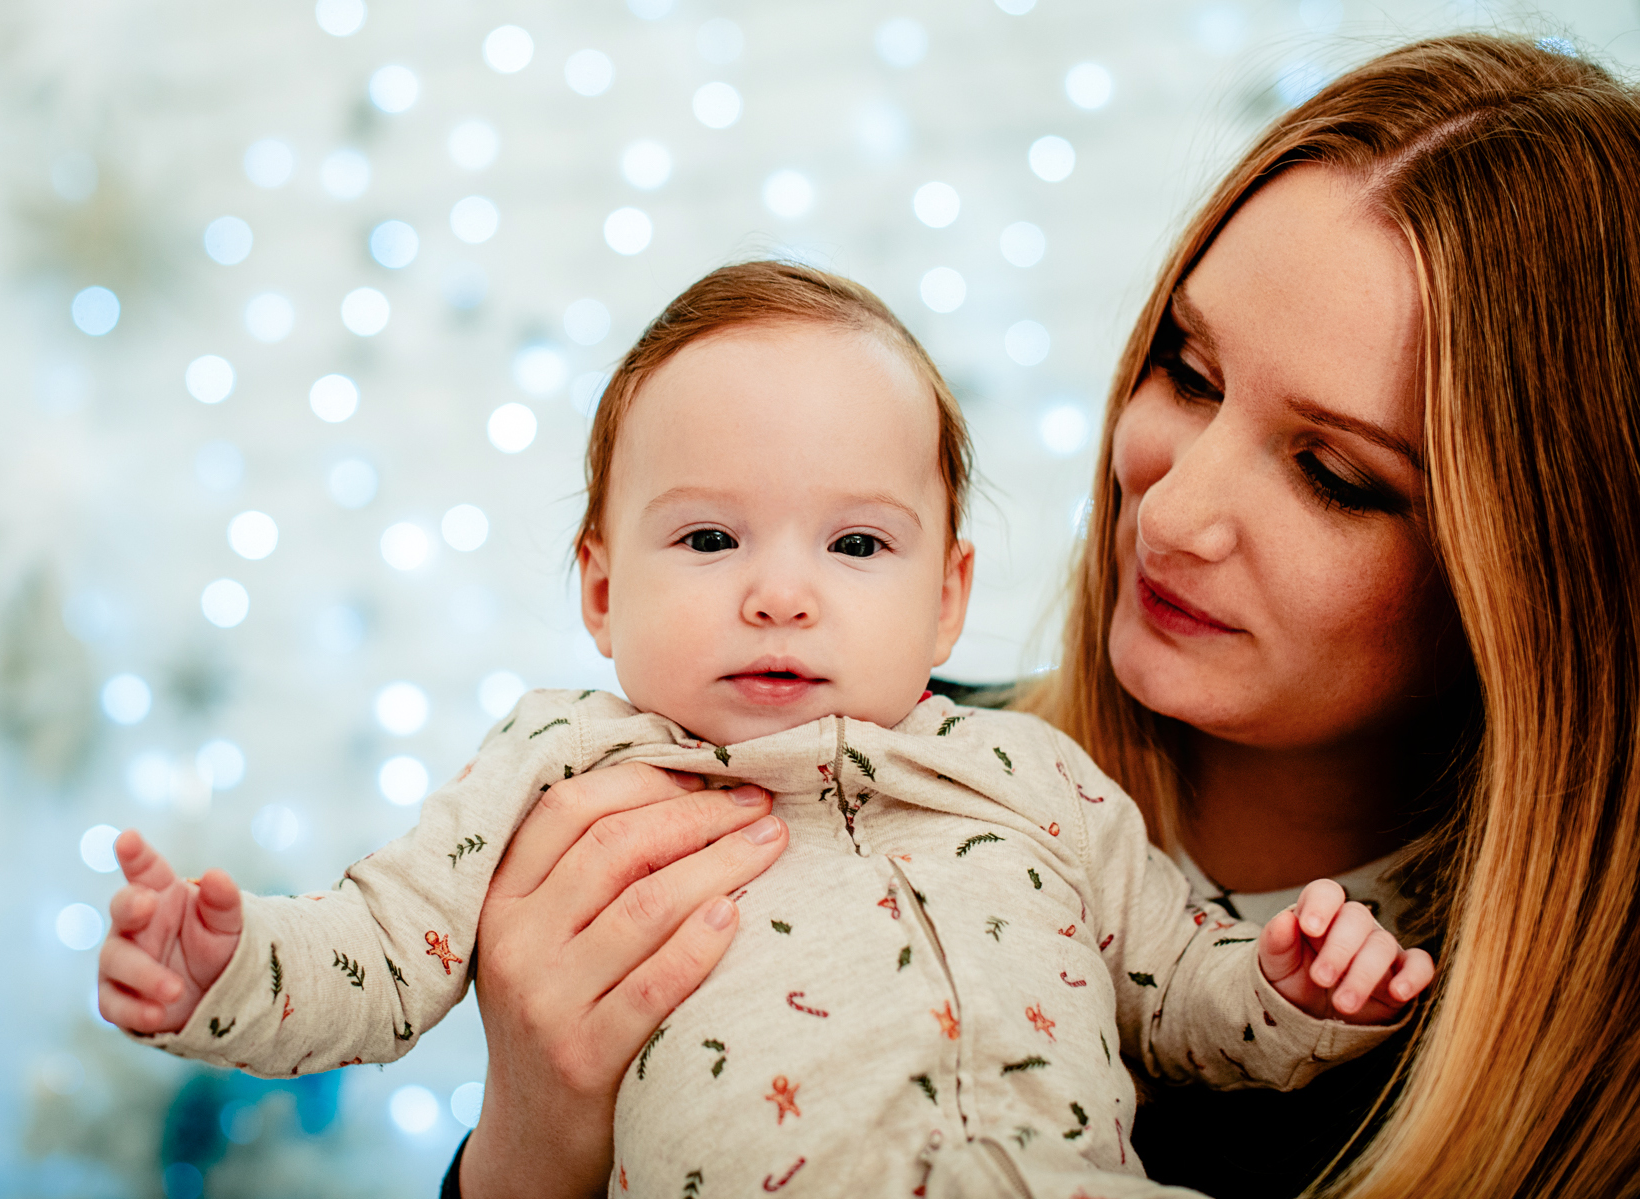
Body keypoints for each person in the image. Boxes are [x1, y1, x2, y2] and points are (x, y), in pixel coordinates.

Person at [444, 34, 1640, 1199]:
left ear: (1541, 581)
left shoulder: (1566, 1088)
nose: (1174, 514)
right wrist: (532, 1141)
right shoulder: (833, 756)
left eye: (1334, 473)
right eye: (1189, 371)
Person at [96, 263, 1429, 1197]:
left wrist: (1288, 987)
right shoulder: (560, 766)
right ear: (601, 585)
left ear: (948, 594)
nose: (778, 590)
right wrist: (224, 966)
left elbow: (1176, 985)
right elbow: (381, 946)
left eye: (856, 541)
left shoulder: (1040, 778)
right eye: (708, 535)